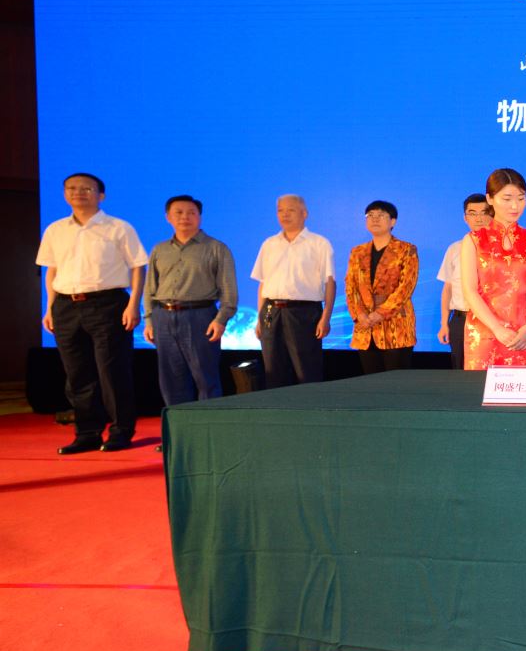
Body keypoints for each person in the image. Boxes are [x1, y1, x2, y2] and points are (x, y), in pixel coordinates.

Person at [36, 172, 148, 454]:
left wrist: (133, 304)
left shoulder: (118, 227)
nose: (78, 192)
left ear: (101, 195)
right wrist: (50, 307)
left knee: (112, 371)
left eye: (86, 188)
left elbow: (138, 266)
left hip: (107, 303)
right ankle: (87, 432)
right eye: (71, 188)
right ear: (65, 194)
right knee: (77, 373)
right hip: (65, 305)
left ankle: (121, 430)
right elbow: (52, 270)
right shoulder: (55, 230)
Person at [143, 194, 236, 409]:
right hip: (163, 317)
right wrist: (149, 320)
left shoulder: (216, 248)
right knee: (171, 380)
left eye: (191, 212)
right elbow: (150, 289)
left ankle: (208, 426)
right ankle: (179, 427)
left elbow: (229, 290)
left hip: (200, 316)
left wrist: (221, 319)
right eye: (179, 212)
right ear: (168, 217)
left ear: (199, 217)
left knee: (206, 378)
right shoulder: (159, 249)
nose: (185, 217)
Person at [461, 168, 526, 370]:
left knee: (525, 388)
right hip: (484, 333)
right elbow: (470, 291)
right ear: (490, 199)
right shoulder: (474, 240)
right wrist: (497, 328)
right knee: (481, 388)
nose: (515, 206)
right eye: (507, 199)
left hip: (525, 335)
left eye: (521, 198)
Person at [250, 194, 336, 389]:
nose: (284, 215)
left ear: (304, 214)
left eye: (290, 210)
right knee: (273, 370)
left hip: (303, 312)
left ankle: (308, 406)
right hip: (271, 311)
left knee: (306, 371)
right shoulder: (269, 244)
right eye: (280, 210)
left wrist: (325, 318)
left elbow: (330, 283)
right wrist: (259, 318)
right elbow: (263, 283)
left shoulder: (319, 243)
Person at [346, 200, 419, 374]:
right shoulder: (357, 252)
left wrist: (380, 314)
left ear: (393, 221)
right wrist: (360, 314)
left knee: (396, 382)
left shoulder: (406, 249)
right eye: (370, 215)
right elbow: (351, 287)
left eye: (381, 215)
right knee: (371, 382)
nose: (375, 219)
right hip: (365, 327)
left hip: (396, 327)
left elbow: (406, 287)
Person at [436, 193, 493, 370]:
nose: (479, 218)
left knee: (490, 369)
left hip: (491, 320)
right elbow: (448, 289)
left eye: (484, 212)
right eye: (472, 213)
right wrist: (444, 324)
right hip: (461, 318)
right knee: (460, 369)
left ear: (493, 215)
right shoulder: (455, 249)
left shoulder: (502, 249)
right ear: (465, 217)